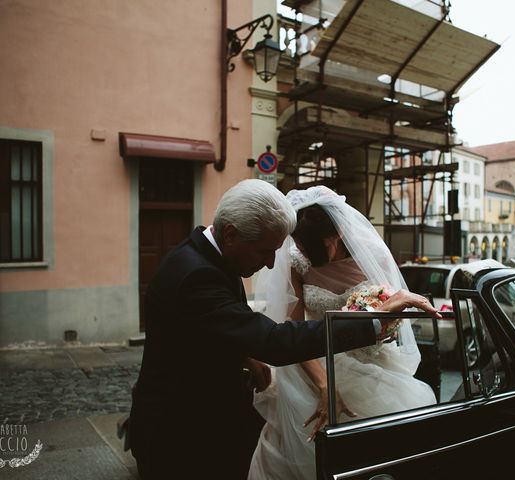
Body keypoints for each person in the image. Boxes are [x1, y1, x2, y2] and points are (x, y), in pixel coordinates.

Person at [127, 179, 437, 479]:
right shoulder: (198, 276)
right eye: (264, 252)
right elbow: (274, 340)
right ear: (232, 234)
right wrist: (372, 317)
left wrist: (243, 354)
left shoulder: (209, 258)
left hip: (197, 423)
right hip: (183, 438)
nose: (272, 264)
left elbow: (212, 328)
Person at [248, 186, 440, 479]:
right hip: (311, 361)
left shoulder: (371, 254)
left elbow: (389, 323)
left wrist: (379, 329)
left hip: (370, 365)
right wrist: (325, 385)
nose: (306, 254)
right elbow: (293, 332)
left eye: (315, 246)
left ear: (337, 233)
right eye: (300, 245)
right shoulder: (297, 261)